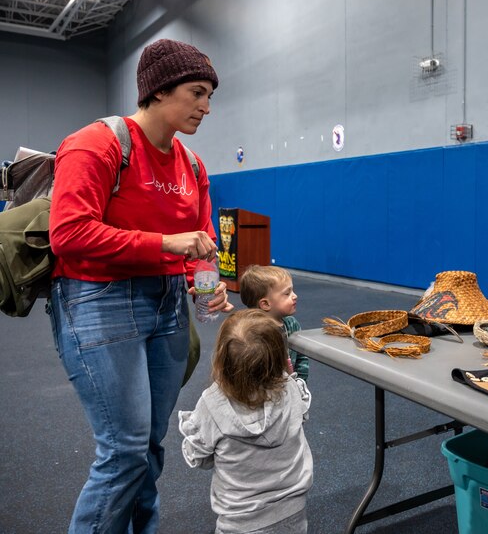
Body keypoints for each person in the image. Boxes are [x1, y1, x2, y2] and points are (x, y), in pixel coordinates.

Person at [48, 38, 234, 533]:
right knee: (124, 450)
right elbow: (68, 234)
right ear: (157, 90)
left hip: (167, 305)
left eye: (209, 95)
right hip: (98, 300)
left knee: (148, 445)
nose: (206, 107)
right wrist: (166, 245)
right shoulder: (98, 143)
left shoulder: (192, 165)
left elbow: (202, 242)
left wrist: (206, 286)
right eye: (197, 93)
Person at [178, 309, 314, 534]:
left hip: (239, 521)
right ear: (280, 356)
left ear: (221, 359)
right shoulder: (291, 388)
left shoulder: (212, 404)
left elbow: (198, 457)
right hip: (293, 510)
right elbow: (301, 419)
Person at [239, 265, 309, 382]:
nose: (295, 296)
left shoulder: (292, 325)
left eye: (292, 291)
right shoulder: (249, 332)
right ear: (265, 304)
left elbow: (302, 357)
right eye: (287, 293)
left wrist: (301, 383)